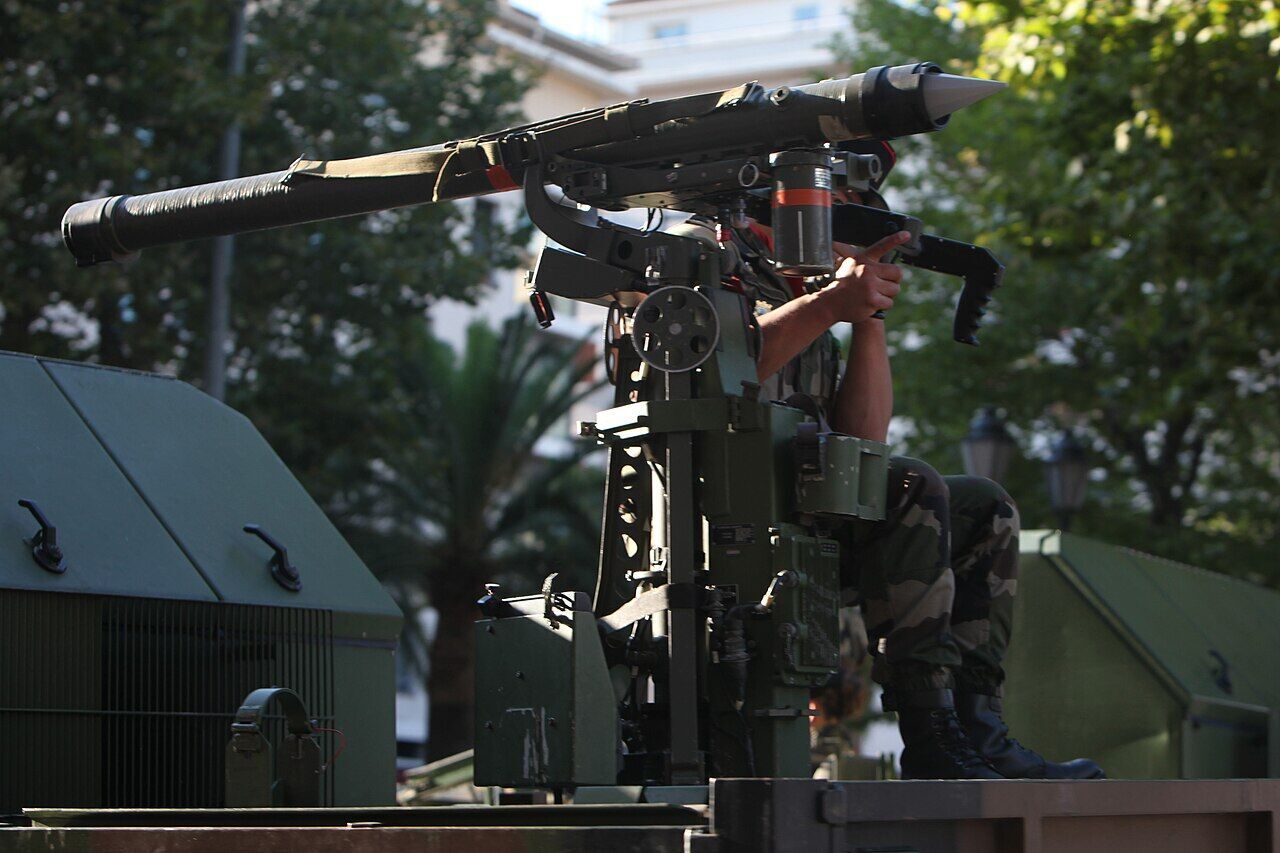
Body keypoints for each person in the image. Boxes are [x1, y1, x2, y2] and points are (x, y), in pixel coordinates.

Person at [673, 141, 1103, 780]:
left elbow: (862, 439)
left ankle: (975, 730)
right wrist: (826, 306)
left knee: (982, 504)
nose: (845, 224)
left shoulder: (808, 290)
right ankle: (930, 737)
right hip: (730, 522)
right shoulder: (706, 256)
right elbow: (713, 377)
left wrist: (865, 317)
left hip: (808, 518)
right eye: (840, 205)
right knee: (910, 484)